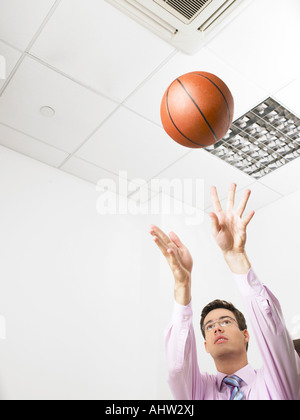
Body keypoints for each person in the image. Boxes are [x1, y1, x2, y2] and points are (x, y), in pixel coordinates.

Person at [149, 183, 300, 400]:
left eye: (226, 322)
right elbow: (176, 368)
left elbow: (274, 333)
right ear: (206, 346)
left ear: (245, 335)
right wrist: (183, 284)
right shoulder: (198, 392)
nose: (216, 328)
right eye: (209, 326)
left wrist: (234, 255)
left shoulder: (276, 380)